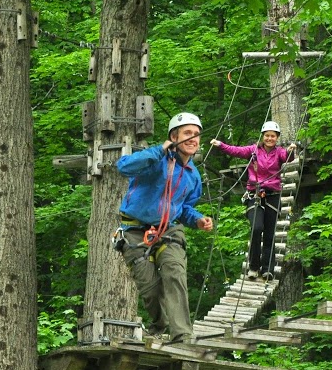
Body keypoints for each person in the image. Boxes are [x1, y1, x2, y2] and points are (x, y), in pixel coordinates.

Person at [115, 112, 213, 343]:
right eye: (187, 133)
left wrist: (198, 219)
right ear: (173, 136)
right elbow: (124, 166)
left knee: (174, 272)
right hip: (135, 230)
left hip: (169, 229)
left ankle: (182, 335)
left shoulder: (193, 176)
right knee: (150, 289)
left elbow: (185, 207)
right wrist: (160, 150)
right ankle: (161, 324)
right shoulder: (153, 159)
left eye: (197, 135)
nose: (193, 139)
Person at [210, 120, 295, 280]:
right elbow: (235, 151)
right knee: (256, 228)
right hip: (254, 194)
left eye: (273, 136)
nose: (270, 138)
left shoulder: (279, 152)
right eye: (267, 136)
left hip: (273, 195)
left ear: (276, 138)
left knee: (270, 234)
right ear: (263, 136)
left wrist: (291, 151)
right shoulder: (253, 151)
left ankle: (267, 269)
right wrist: (220, 145)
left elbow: (287, 158)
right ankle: (254, 266)